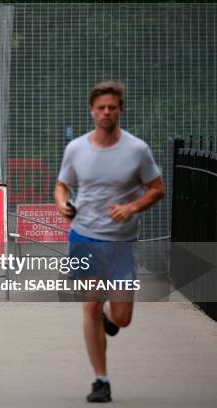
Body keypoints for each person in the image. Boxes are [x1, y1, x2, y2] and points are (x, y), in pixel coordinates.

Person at [54, 81, 164, 403]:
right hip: (84, 235)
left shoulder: (136, 150)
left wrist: (131, 207)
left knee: (122, 318)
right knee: (88, 305)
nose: (106, 112)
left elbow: (157, 188)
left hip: (121, 242)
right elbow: (62, 185)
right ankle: (101, 380)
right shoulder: (76, 148)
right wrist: (62, 204)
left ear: (120, 110)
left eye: (112, 107)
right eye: (101, 107)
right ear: (92, 110)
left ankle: (109, 318)